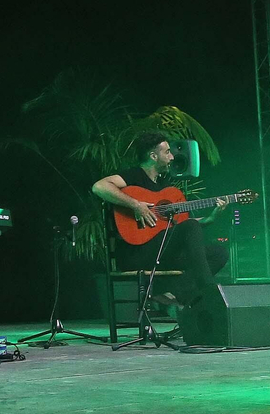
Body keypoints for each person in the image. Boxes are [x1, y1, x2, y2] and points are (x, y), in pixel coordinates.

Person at [92, 131, 230, 307]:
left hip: (162, 251)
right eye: (167, 152)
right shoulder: (134, 176)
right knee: (190, 227)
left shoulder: (164, 187)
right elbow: (99, 186)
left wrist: (211, 217)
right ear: (153, 156)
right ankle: (209, 294)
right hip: (137, 252)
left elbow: (182, 226)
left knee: (219, 253)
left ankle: (175, 291)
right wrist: (136, 205)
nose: (172, 157)